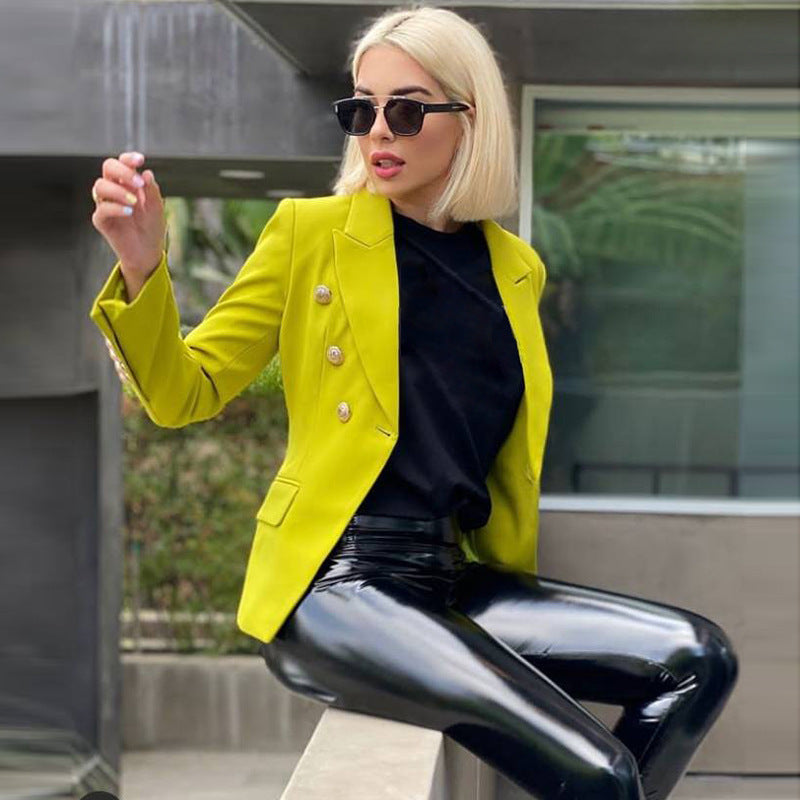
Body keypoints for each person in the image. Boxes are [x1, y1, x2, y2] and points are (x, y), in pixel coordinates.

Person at [88, 5, 739, 798]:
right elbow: (181, 393)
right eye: (361, 110)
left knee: (699, 659)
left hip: (451, 574)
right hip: (339, 583)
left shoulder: (516, 268)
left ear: (471, 117)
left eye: (406, 110)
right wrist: (142, 267)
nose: (378, 132)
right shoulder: (311, 233)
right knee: (599, 774)